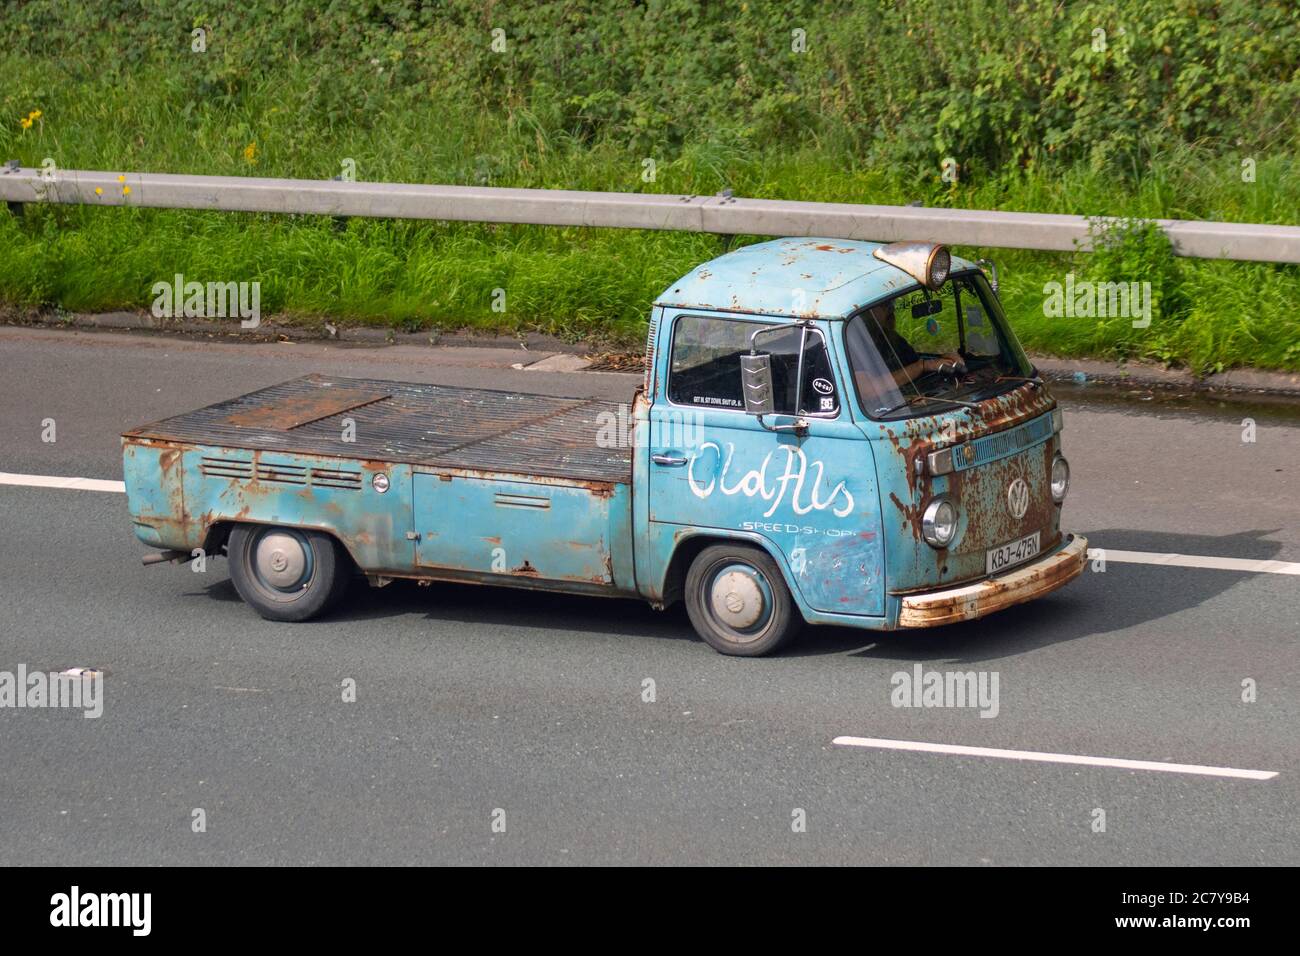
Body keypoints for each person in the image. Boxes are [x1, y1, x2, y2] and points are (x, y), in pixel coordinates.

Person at [864, 300, 965, 389]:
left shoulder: (893, 339)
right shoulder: (855, 347)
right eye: (884, 305)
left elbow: (915, 362)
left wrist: (947, 358)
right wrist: (922, 366)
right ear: (867, 311)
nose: (891, 309)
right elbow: (868, 390)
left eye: (890, 305)